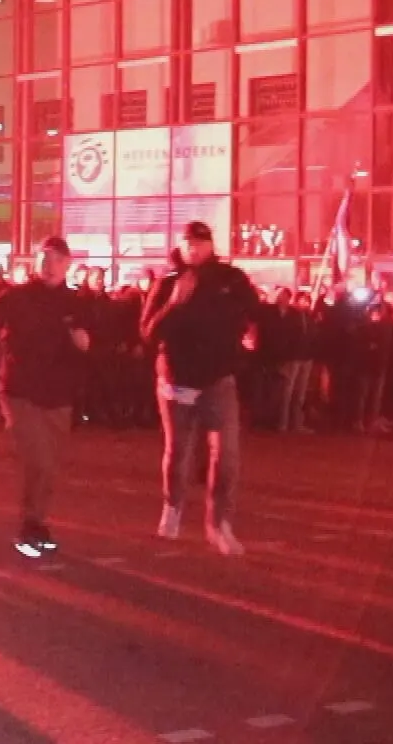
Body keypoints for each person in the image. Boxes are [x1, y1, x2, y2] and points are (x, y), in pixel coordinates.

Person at [0, 236, 91, 557]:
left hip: (59, 394)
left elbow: (98, 345)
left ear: (68, 265)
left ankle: (37, 521)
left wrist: (86, 344)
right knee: (38, 459)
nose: (50, 266)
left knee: (50, 467)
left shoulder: (77, 303)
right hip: (21, 391)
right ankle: (30, 525)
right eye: (44, 259)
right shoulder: (16, 298)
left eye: (58, 260)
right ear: (34, 262)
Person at [140, 221, 257, 556]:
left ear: (210, 245)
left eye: (199, 243)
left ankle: (219, 523)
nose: (193, 248)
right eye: (188, 243)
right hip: (177, 380)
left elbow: (254, 311)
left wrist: (251, 331)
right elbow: (148, 332)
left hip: (218, 377)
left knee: (227, 453)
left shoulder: (231, 279)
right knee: (179, 451)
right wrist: (174, 303)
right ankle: (172, 508)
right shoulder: (168, 282)